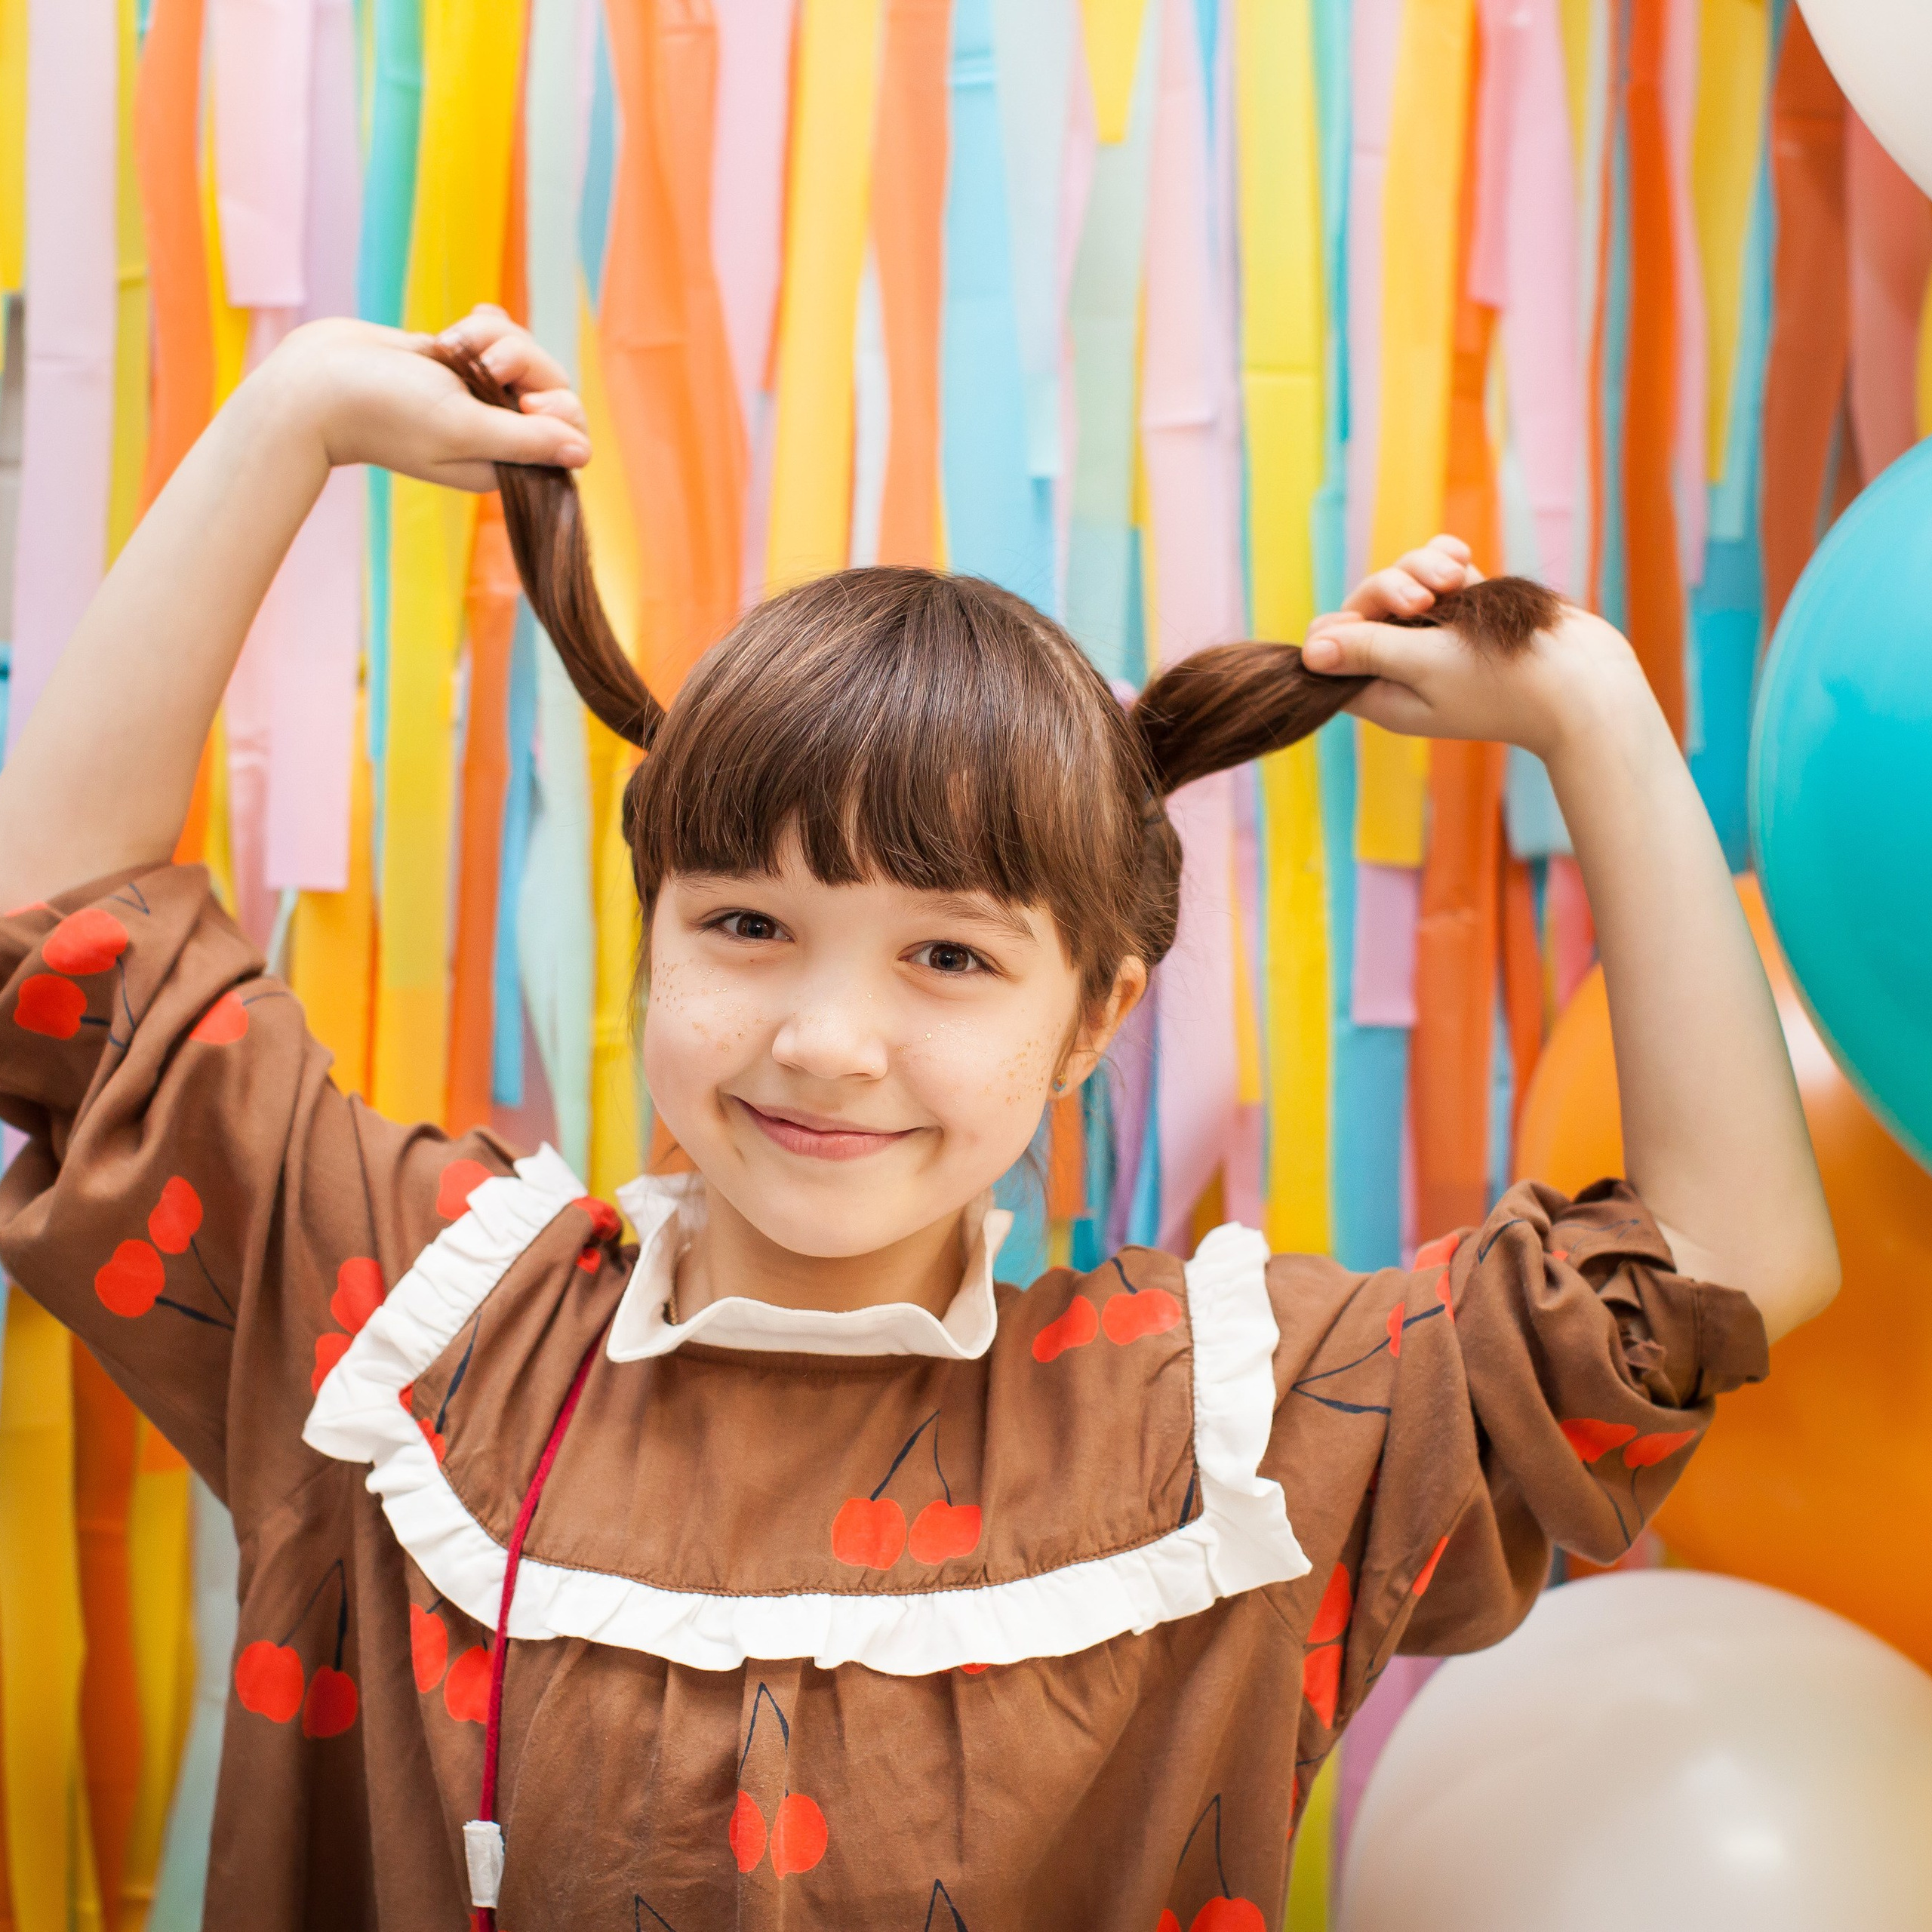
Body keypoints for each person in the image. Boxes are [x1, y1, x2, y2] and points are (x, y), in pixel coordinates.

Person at [0, 308, 1838, 1930]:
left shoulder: (1228, 1427)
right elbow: (65, 960)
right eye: (745, 924)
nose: (825, 1038)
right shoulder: (411, 1314)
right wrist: (287, 420)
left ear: (1092, 1016)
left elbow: (1725, 1269)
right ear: (647, 931)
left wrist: (1591, 713)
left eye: (948, 957)